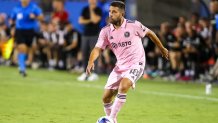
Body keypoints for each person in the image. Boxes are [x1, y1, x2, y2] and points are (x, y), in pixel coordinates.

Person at [86, 1, 169, 123]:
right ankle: (112, 120)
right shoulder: (106, 31)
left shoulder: (134, 25)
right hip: (120, 66)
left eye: (114, 12)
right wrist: (91, 61)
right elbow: (98, 48)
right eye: (110, 11)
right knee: (106, 98)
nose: (111, 14)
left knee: (123, 86)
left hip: (137, 63)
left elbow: (150, 33)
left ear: (122, 13)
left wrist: (162, 48)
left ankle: (111, 119)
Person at [10, 0, 43, 77]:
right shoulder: (16, 8)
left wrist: (35, 16)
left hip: (30, 31)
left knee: (27, 49)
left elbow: (41, 17)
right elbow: (12, 19)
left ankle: (22, 64)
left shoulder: (34, 7)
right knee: (22, 47)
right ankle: (22, 68)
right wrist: (12, 28)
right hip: (19, 30)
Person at [78, 0, 102, 81]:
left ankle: (95, 73)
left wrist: (91, 10)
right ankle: (86, 73)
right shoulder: (85, 9)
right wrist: (89, 20)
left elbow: (95, 20)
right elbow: (80, 21)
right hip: (85, 34)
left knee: (94, 54)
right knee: (84, 53)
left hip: (94, 35)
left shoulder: (98, 10)